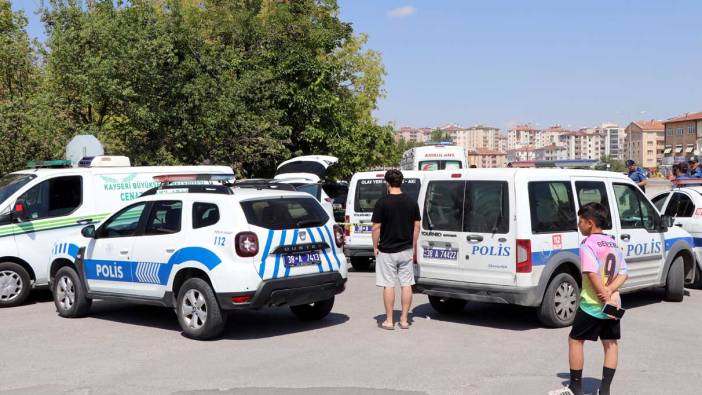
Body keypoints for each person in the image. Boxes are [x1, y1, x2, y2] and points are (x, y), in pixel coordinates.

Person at [550, 202, 628, 395]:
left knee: (575, 340)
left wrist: (603, 295)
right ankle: (605, 390)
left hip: (593, 305)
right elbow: (624, 273)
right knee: (610, 344)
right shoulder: (612, 243)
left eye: (581, 221)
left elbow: (591, 273)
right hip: (613, 305)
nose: (578, 224)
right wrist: (610, 292)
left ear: (590, 223)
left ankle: (575, 388)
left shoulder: (588, 244)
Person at [371, 169, 421, 330]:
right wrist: (412, 245)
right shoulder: (411, 202)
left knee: (389, 285)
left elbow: (376, 228)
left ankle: (389, 320)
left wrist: (374, 247)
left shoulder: (382, 202)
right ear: (401, 182)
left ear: (387, 183)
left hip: (387, 250)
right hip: (406, 249)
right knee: (407, 284)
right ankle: (405, 320)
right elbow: (417, 225)